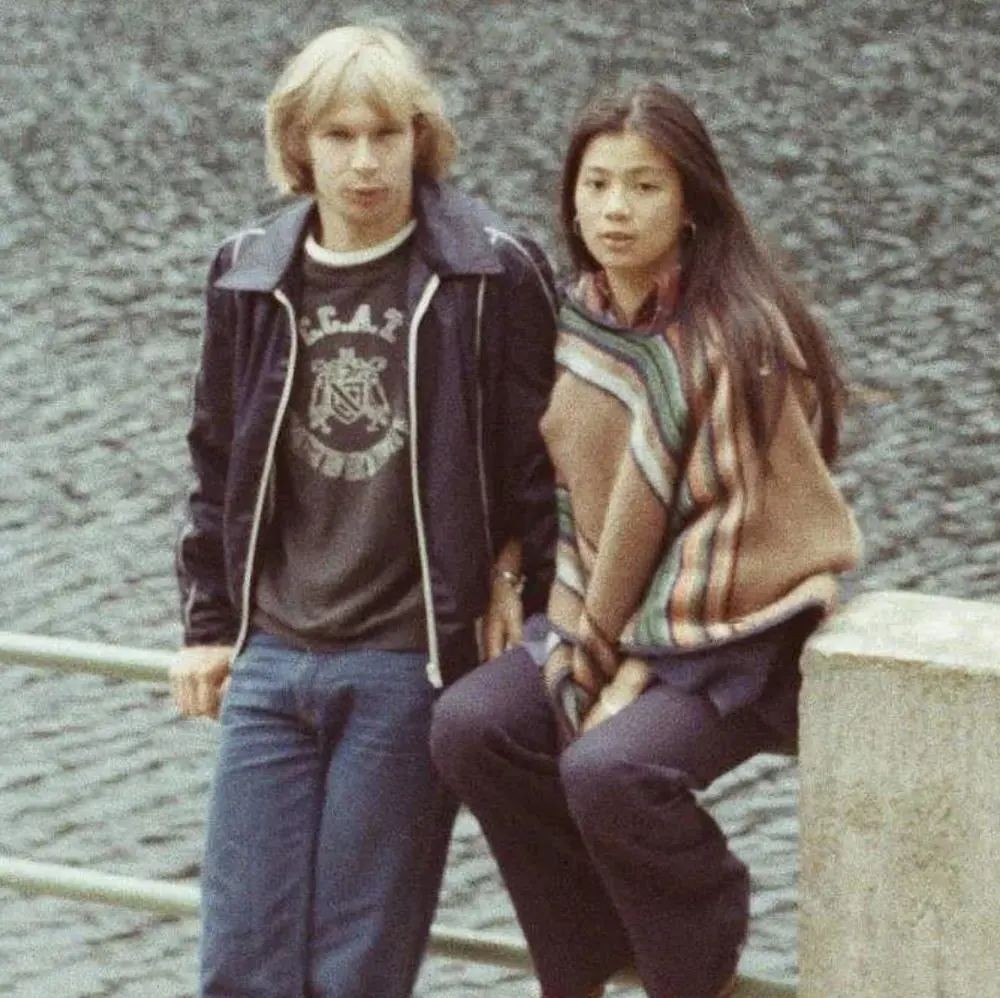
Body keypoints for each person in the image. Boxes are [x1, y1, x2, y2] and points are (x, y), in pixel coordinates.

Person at [430, 83, 862, 998]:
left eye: (644, 186)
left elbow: (742, 528)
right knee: (470, 727)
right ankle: (582, 950)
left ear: (691, 202)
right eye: (596, 185)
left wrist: (633, 667)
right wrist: (521, 578)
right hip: (609, 609)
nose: (615, 210)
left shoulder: (737, 335)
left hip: (737, 629)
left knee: (611, 769)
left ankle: (693, 944)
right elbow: (562, 488)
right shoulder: (581, 316)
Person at [170, 25, 556, 998]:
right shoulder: (248, 272)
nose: (365, 161)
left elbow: (545, 462)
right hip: (271, 657)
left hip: (405, 661)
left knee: (356, 971)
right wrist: (208, 625)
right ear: (297, 144)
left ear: (421, 137)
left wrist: (515, 576)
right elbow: (216, 460)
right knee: (238, 961)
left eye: (386, 133)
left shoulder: (489, 273)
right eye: (338, 136)